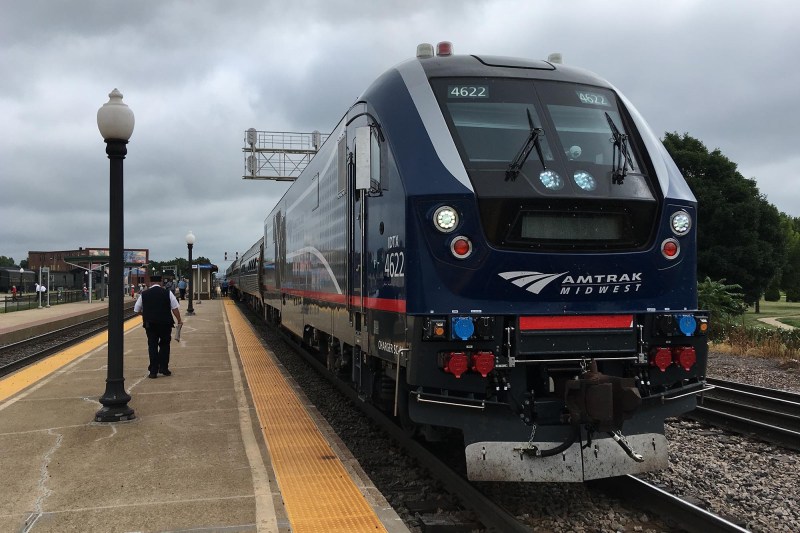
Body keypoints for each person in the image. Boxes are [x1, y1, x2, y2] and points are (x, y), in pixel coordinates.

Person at [134, 275, 183, 379]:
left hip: (150, 324)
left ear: (150, 282)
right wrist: (179, 320)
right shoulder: (167, 293)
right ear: (161, 282)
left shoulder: (144, 294)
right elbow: (175, 308)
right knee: (165, 345)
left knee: (152, 345)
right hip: (165, 323)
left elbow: (137, 310)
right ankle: (164, 368)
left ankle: (153, 371)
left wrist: (146, 314)